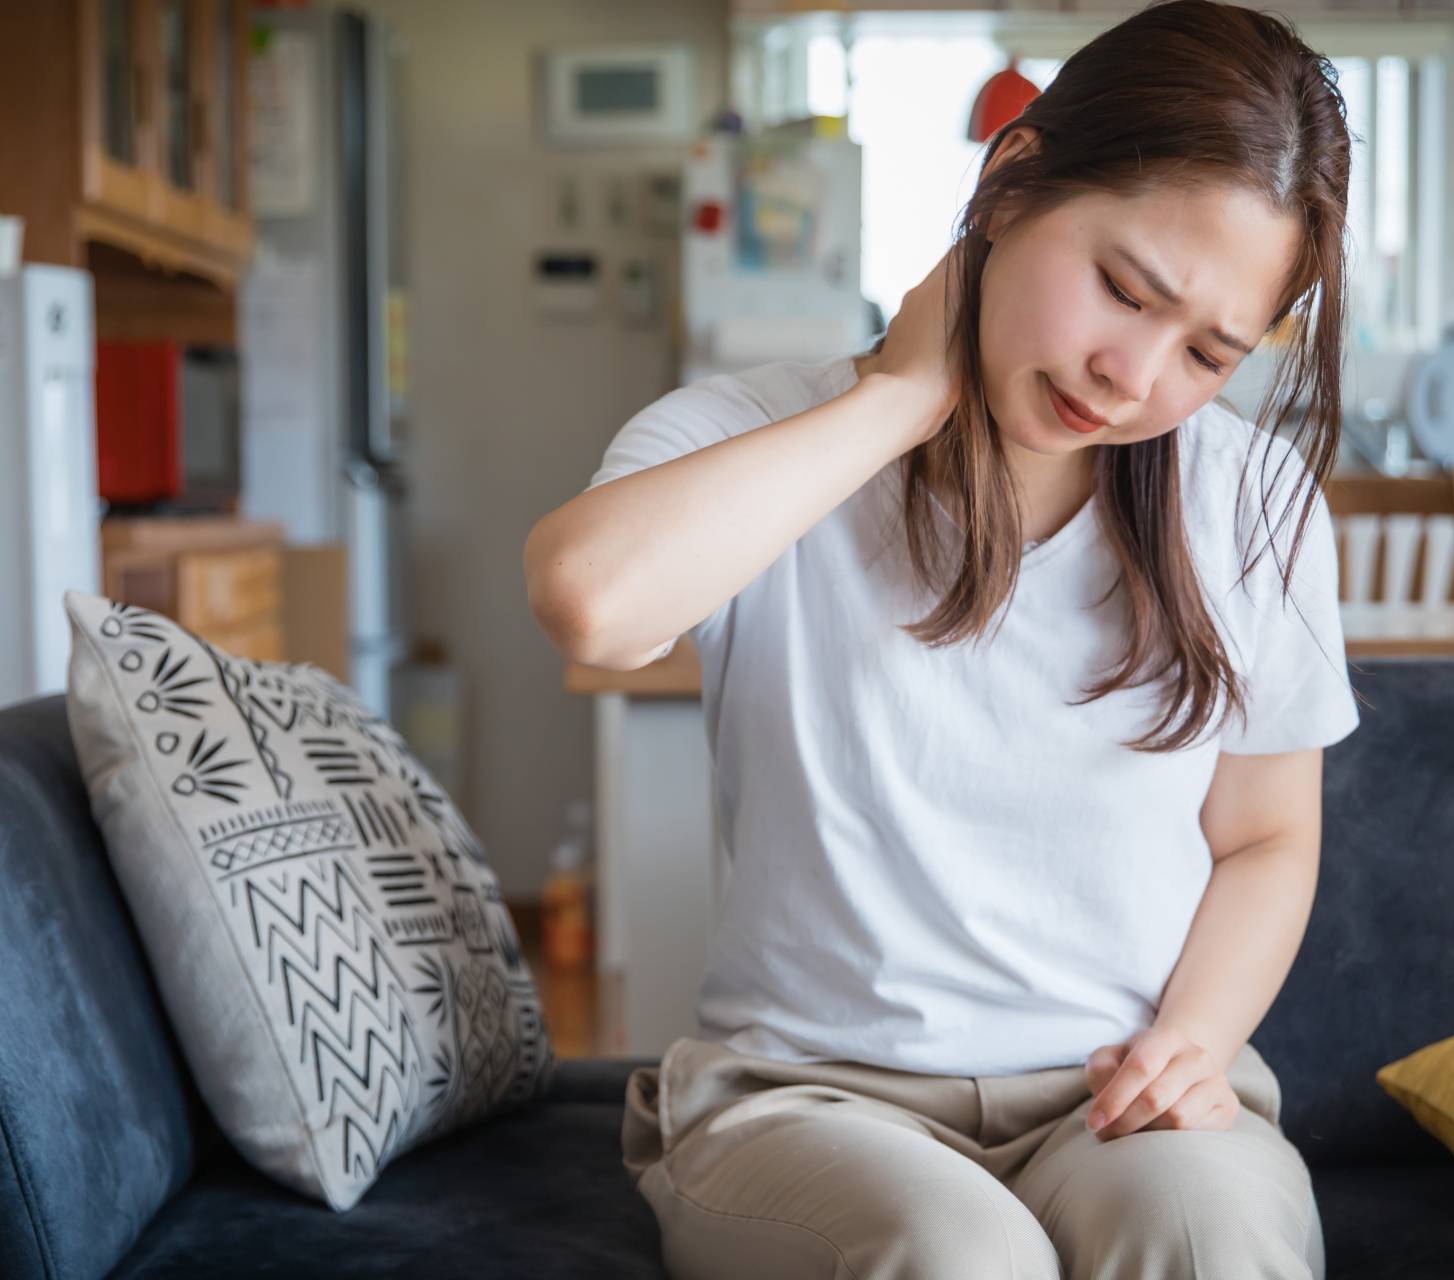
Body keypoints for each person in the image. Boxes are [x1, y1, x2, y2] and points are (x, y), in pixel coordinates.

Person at [525, 3, 1355, 1275]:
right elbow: (592, 600)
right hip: (806, 1102)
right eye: (1124, 288)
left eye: (1206, 351)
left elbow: (1266, 834)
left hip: (1106, 1090)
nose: (1132, 375)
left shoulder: (1253, 505)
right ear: (1012, 177)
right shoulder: (759, 434)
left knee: (1213, 1228)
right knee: (962, 1256)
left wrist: (1193, 1035)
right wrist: (899, 398)